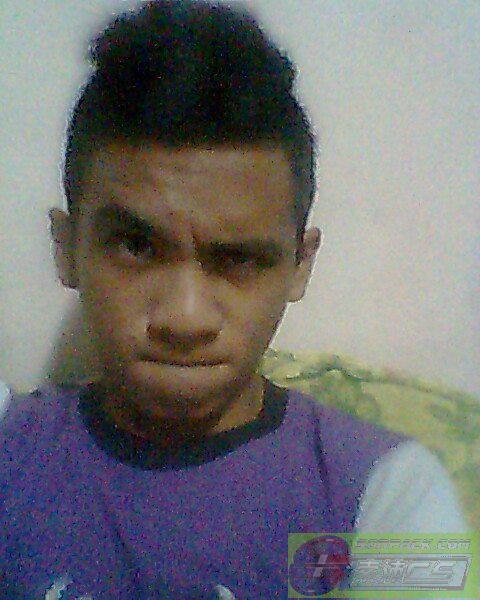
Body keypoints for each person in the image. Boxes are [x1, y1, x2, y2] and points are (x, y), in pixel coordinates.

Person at [0, 1, 467, 598]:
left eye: (240, 259)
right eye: (136, 247)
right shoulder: (9, 445)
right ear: (66, 249)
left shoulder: (394, 493)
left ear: (300, 266)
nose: (184, 318)